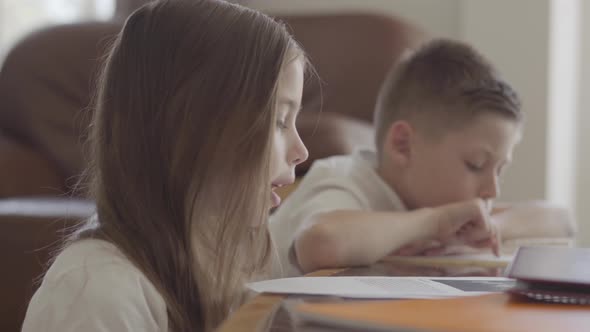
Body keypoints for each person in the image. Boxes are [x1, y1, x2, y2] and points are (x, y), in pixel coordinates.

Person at [21, 0, 308, 331]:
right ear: (194, 129)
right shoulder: (94, 293)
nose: (301, 151)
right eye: (280, 121)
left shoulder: (247, 250)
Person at [269, 39, 575, 277]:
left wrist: (493, 228)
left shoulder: (436, 202)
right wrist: (434, 222)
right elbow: (321, 243)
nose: (492, 190)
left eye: (500, 169)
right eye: (476, 165)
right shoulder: (342, 180)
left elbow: (561, 220)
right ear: (403, 145)